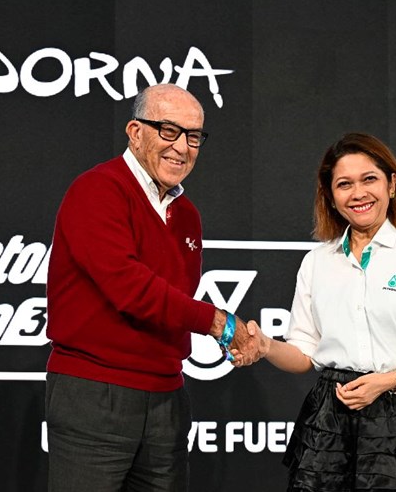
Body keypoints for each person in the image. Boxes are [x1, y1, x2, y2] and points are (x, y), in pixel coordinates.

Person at [44, 83, 261, 492]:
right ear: (135, 131)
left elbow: (173, 300)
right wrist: (218, 323)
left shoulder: (187, 215)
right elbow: (130, 288)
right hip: (96, 393)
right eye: (168, 130)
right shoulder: (98, 189)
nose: (181, 147)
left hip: (167, 397)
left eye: (193, 136)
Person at [256, 132, 396, 491]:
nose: (358, 193)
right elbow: (303, 354)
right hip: (330, 420)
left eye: (369, 179)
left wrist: (388, 381)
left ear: (391, 184)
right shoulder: (316, 262)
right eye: (344, 184)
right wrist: (265, 346)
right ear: (330, 196)